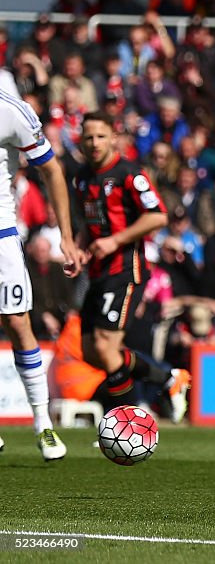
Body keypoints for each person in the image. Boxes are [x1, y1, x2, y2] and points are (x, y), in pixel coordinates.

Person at [72, 111, 191, 424]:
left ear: (113, 137)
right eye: (88, 137)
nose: (94, 143)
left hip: (126, 269)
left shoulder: (129, 173)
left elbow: (158, 216)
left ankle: (127, 424)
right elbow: (89, 223)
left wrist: (115, 241)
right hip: (97, 272)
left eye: (100, 136)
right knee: (90, 351)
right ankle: (167, 379)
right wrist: (79, 247)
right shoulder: (82, 177)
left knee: (105, 347)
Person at [0, 89, 81, 460]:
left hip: (1, 234)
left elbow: (51, 169)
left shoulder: (11, 111)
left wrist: (65, 235)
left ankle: (42, 423)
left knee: (18, 323)